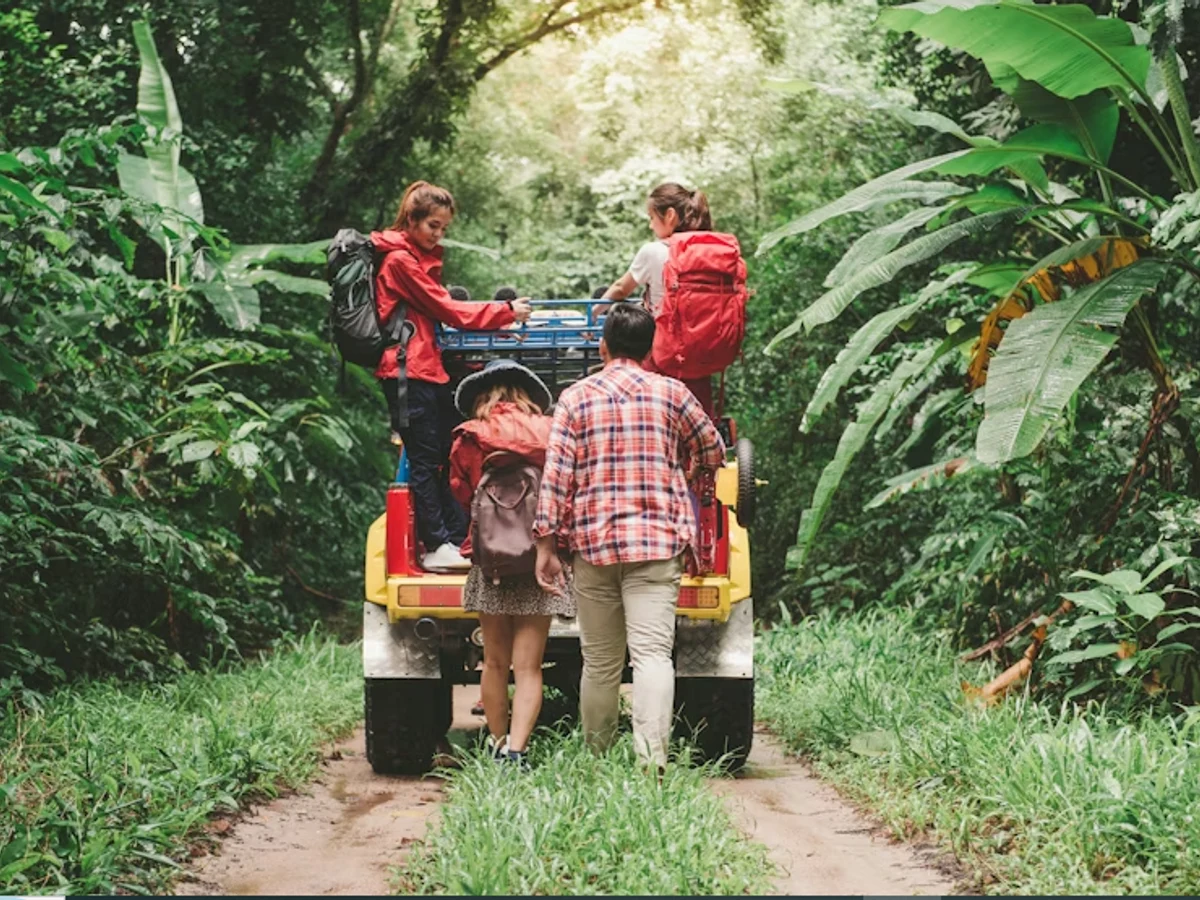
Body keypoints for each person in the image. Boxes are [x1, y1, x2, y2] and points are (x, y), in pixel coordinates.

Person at [532, 303, 724, 771]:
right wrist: (688, 465)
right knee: (653, 655)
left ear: (602, 347)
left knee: (600, 661)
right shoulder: (672, 393)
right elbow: (713, 449)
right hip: (658, 544)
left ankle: (597, 761)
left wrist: (546, 545)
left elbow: (556, 476)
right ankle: (651, 760)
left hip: (594, 547)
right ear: (650, 349)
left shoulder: (575, 398)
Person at [372, 181, 533, 572]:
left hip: (423, 369)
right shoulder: (400, 262)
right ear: (411, 220)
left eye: (443, 228)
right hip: (409, 372)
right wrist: (505, 312)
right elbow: (448, 309)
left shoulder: (411, 258)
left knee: (441, 453)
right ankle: (435, 544)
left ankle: (452, 537)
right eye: (433, 226)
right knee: (425, 459)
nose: (438, 234)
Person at [449, 360, 574, 767]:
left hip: (491, 563)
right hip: (539, 557)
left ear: (482, 396)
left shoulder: (470, 436)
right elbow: (563, 489)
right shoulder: (549, 431)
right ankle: (518, 752)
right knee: (529, 667)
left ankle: (497, 742)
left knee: (494, 662)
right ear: (526, 395)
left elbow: (462, 492)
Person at [601, 183, 718, 414]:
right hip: (702, 356)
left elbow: (620, 289)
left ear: (670, 215)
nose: (650, 224)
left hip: (663, 355)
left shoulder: (654, 251)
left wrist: (594, 313)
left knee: (654, 417)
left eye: (652, 217)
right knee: (698, 417)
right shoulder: (711, 253)